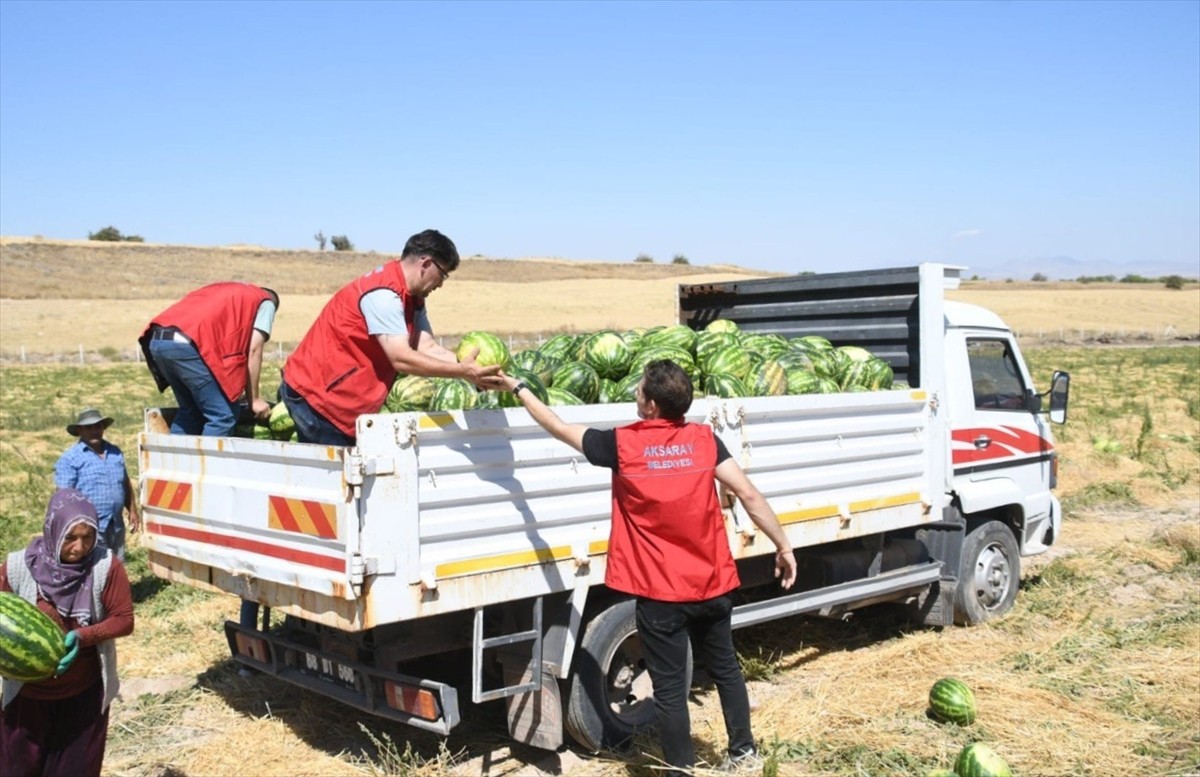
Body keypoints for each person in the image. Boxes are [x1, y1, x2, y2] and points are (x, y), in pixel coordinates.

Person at [498, 359, 798, 775]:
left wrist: (519, 389)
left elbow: (559, 428)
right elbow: (747, 493)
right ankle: (743, 754)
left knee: (671, 692)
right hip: (712, 586)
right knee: (727, 669)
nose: (635, 393)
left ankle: (680, 771)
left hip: (662, 597)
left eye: (640, 390)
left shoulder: (624, 445)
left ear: (652, 405)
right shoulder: (705, 441)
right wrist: (783, 545)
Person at [280, 228, 504, 446]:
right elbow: (401, 358)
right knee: (338, 477)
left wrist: (476, 368)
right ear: (426, 264)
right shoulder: (384, 295)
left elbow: (425, 347)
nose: (441, 284)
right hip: (318, 397)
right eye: (442, 275)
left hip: (339, 396)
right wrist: (463, 372)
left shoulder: (412, 296)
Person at [0, 488, 135, 777]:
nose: (79, 547)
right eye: (70, 537)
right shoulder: (18, 567)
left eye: (88, 536)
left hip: (82, 696)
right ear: (53, 530)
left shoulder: (104, 567)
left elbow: (124, 619)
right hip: (27, 697)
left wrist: (84, 636)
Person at [138, 282, 279, 437]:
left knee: (191, 411)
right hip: (187, 345)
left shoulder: (228, 292)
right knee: (223, 416)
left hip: (158, 340)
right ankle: (206, 462)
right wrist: (255, 400)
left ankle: (174, 460)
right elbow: (253, 349)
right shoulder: (265, 301)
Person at [54, 408, 140, 562]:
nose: (94, 431)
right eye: (89, 427)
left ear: (103, 428)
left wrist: (132, 509)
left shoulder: (115, 452)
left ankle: (114, 586)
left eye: (98, 426)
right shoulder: (71, 458)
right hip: (88, 525)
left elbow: (124, 482)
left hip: (115, 522)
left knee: (116, 562)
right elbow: (63, 496)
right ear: (80, 430)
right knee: (93, 565)